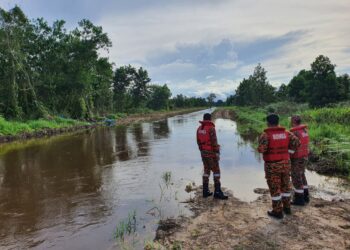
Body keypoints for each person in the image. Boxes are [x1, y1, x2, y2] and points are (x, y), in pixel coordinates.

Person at [258, 113, 300, 219]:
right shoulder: (287, 133)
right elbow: (297, 143)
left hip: (272, 166)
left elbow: (262, 149)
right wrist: (289, 151)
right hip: (286, 164)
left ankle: (277, 211)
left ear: (268, 123)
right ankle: (287, 208)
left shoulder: (265, 135)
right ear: (278, 122)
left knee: (275, 188)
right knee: (285, 186)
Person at [196, 113, 228, 200]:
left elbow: (198, 142)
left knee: (206, 170)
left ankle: (205, 191)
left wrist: (202, 151)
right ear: (210, 119)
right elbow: (214, 142)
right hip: (211, 153)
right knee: (216, 171)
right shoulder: (211, 128)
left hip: (203, 153)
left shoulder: (199, 129)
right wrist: (217, 152)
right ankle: (217, 192)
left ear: (203, 119)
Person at [289, 115, 310, 205]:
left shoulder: (295, 132)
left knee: (296, 177)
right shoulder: (304, 130)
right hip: (304, 156)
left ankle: (299, 199)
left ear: (293, 121)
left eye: (291, 120)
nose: (290, 122)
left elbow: (293, 147)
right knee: (302, 175)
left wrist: (287, 155)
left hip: (297, 158)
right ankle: (306, 195)